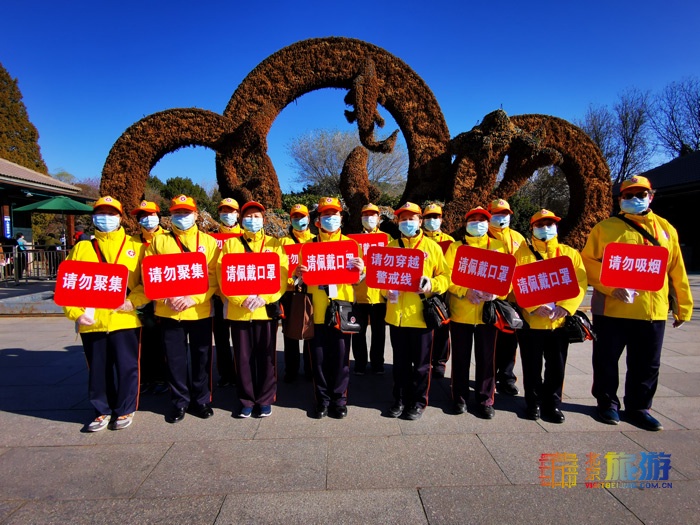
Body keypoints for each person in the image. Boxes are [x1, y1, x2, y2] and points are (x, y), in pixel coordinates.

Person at [581, 175, 693, 431]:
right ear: (620, 199)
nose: (634, 199)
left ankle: (639, 407)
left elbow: (676, 269)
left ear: (651, 196)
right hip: (612, 309)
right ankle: (607, 404)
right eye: (628, 195)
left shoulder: (666, 229)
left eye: (640, 194)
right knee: (606, 359)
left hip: (651, 310)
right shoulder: (605, 228)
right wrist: (610, 286)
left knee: (647, 363)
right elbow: (587, 263)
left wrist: (683, 306)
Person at [62, 196, 148, 431]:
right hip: (92, 320)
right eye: (101, 213)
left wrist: (133, 302)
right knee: (98, 369)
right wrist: (75, 314)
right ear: (93, 217)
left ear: (120, 217)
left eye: (112, 214)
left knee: (127, 367)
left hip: (124, 319)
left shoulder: (136, 246)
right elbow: (67, 285)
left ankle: (125, 408)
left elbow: (147, 283)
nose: (106, 218)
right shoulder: (82, 247)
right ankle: (101, 410)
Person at [145, 194, 220, 424]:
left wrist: (193, 298)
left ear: (196, 215)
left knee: (202, 357)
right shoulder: (159, 242)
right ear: (171, 216)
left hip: (199, 310)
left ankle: (201, 399)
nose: (182, 217)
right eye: (177, 213)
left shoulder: (208, 242)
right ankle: (179, 402)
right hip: (169, 311)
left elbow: (214, 278)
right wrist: (168, 297)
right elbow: (150, 274)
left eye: (186, 212)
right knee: (175, 359)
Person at [513, 209, 587, 423]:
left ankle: (552, 404)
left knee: (557, 366)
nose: (545, 228)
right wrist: (532, 306)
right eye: (540, 224)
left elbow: (580, 283)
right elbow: (515, 284)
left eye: (549, 224)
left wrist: (566, 306)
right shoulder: (521, 254)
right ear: (532, 228)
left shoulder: (569, 254)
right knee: (532, 366)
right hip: (532, 323)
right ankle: (533, 403)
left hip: (559, 322)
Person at [294, 197, 365, 419]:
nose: (330, 219)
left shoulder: (352, 245)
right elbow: (300, 282)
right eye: (326, 215)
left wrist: (361, 272)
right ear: (318, 220)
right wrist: (298, 276)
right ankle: (322, 399)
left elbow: (357, 280)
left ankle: (339, 399)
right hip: (316, 309)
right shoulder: (308, 247)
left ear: (341, 218)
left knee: (342, 358)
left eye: (334, 214)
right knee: (319, 359)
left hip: (343, 308)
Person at [218, 201, 288, 418]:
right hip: (239, 312)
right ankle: (247, 399)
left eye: (257, 216)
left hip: (264, 312)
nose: (252, 220)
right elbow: (223, 275)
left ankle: (266, 399)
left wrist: (264, 298)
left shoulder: (275, 244)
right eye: (248, 216)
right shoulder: (231, 245)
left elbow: (282, 275)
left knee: (266, 357)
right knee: (243, 357)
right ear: (241, 219)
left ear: (264, 220)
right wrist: (240, 299)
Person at [383, 202, 451, 420]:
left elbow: (446, 277)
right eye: (403, 219)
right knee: (400, 364)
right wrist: (387, 292)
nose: (407, 222)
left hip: (421, 317)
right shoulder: (391, 247)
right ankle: (399, 399)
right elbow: (380, 279)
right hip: (397, 316)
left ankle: (418, 402)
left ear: (420, 221)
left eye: (412, 219)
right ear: (397, 222)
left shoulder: (432, 247)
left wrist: (431, 283)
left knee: (421, 365)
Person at [445, 207, 506, 419]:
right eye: (474, 219)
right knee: (460, 358)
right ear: (466, 223)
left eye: (482, 219)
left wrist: (498, 293)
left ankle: (485, 399)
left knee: (487, 358)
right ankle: (459, 398)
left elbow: (509, 277)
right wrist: (464, 291)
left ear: (488, 224)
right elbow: (448, 277)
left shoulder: (498, 247)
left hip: (487, 314)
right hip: (461, 311)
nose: (478, 223)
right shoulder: (455, 247)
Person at [487, 198, 526, 396]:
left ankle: (507, 377)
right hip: (489, 298)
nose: (501, 217)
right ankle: (489, 378)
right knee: (491, 342)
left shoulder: (519, 238)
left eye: (504, 214)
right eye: (496, 213)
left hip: (512, 299)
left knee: (510, 342)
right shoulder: (483, 235)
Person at [130, 200, 169, 395]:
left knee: (164, 339)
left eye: (150, 214)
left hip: (166, 299)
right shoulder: (133, 242)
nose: (147, 219)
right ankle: (146, 377)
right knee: (144, 339)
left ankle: (164, 377)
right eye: (142, 216)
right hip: (140, 298)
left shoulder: (168, 239)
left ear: (158, 216)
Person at [351, 203, 391, 375]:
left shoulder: (387, 239)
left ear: (379, 218)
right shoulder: (352, 241)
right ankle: (359, 363)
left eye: (373, 215)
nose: (369, 218)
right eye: (366, 215)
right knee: (358, 331)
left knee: (379, 332)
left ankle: (377, 363)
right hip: (358, 294)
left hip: (379, 294)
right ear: (361, 218)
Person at [278, 203, 314, 382]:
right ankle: (291, 370)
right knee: (289, 333)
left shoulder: (315, 241)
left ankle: (310, 369)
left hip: (311, 293)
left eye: (302, 217)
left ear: (309, 218)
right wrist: (292, 276)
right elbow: (279, 269)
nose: (299, 220)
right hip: (290, 293)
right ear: (290, 220)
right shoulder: (283, 242)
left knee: (310, 333)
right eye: (295, 217)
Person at [420, 203, 454, 378]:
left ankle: (439, 361)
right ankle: (422, 360)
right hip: (418, 292)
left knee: (441, 327)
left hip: (441, 292)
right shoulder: (415, 240)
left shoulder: (450, 242)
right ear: (422, 220)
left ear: (441, 219)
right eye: (428, 217)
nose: (432, 220)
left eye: (435, 217)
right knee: (422, 328)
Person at [212, 197, 242, 388]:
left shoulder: (246, 236)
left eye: (231, 211)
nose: (228, 215)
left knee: (241, 339)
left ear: (238, 214)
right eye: (224, 211)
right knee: (222, 339)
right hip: (217, 296)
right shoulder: (210, 238)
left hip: (241, 297)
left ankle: (242, 371)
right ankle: (226, 373)